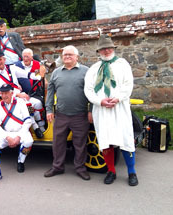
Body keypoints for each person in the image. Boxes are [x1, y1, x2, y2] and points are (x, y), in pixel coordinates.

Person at [84, 34, 138, 186]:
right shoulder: (93, 69)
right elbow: (88, 90)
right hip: (101, 110)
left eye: (108, 48)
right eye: (103, 49)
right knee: (105, 141)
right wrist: (99, 101)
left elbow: (128, 85)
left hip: (119, 108)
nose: (106, 51)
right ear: (99, 51)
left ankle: (132, 172)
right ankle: (111, 171)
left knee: (126, 139)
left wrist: (118, 98)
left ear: (113, 49)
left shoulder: (123, 64)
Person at [44, 45, 92, 180]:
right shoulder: (56, 72)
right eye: (65, 55)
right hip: (61, 115)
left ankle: (80, 168)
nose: (67, 56)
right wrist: (49, 110)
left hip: (80, 115)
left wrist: (91, 110)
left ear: (77, 57)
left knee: (80, 144)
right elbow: (50, 92)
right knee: (58, 143)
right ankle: (57, 167)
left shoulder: (86, 71)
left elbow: (92, 92)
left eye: (70, 54)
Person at [0, 50, 44, 138]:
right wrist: (18, 95)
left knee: (38, 103)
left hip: (20, 95)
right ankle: (36, 127)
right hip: (6, 99)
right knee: (27, 105)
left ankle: (41, 125)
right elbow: (0, 91)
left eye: (0, 59)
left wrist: (40, 74)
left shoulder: (12, 68)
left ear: (4, 59)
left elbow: (28, 74)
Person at [0, 84, 33, 187]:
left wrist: (19, 137)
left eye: (6, 93)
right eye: (2, 93)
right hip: (6, 133)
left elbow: (27, 121)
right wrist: (7, 138)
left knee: (28, 141)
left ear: (12, 93)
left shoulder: (21, 103)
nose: (4, 96)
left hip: (20, 131)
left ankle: (21, 161)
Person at [15, 48, 46, 132]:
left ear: (32, 57)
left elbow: (40, 78)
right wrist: (17, 85)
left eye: (27, 57)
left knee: (38, 103)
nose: (25, 59)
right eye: (24, 57)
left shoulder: (37, 65)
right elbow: (13, 79)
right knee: (29, 105)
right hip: (21, 94)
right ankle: (34, 126)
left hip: (35, 92)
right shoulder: (17, 66)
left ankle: (41, 124)